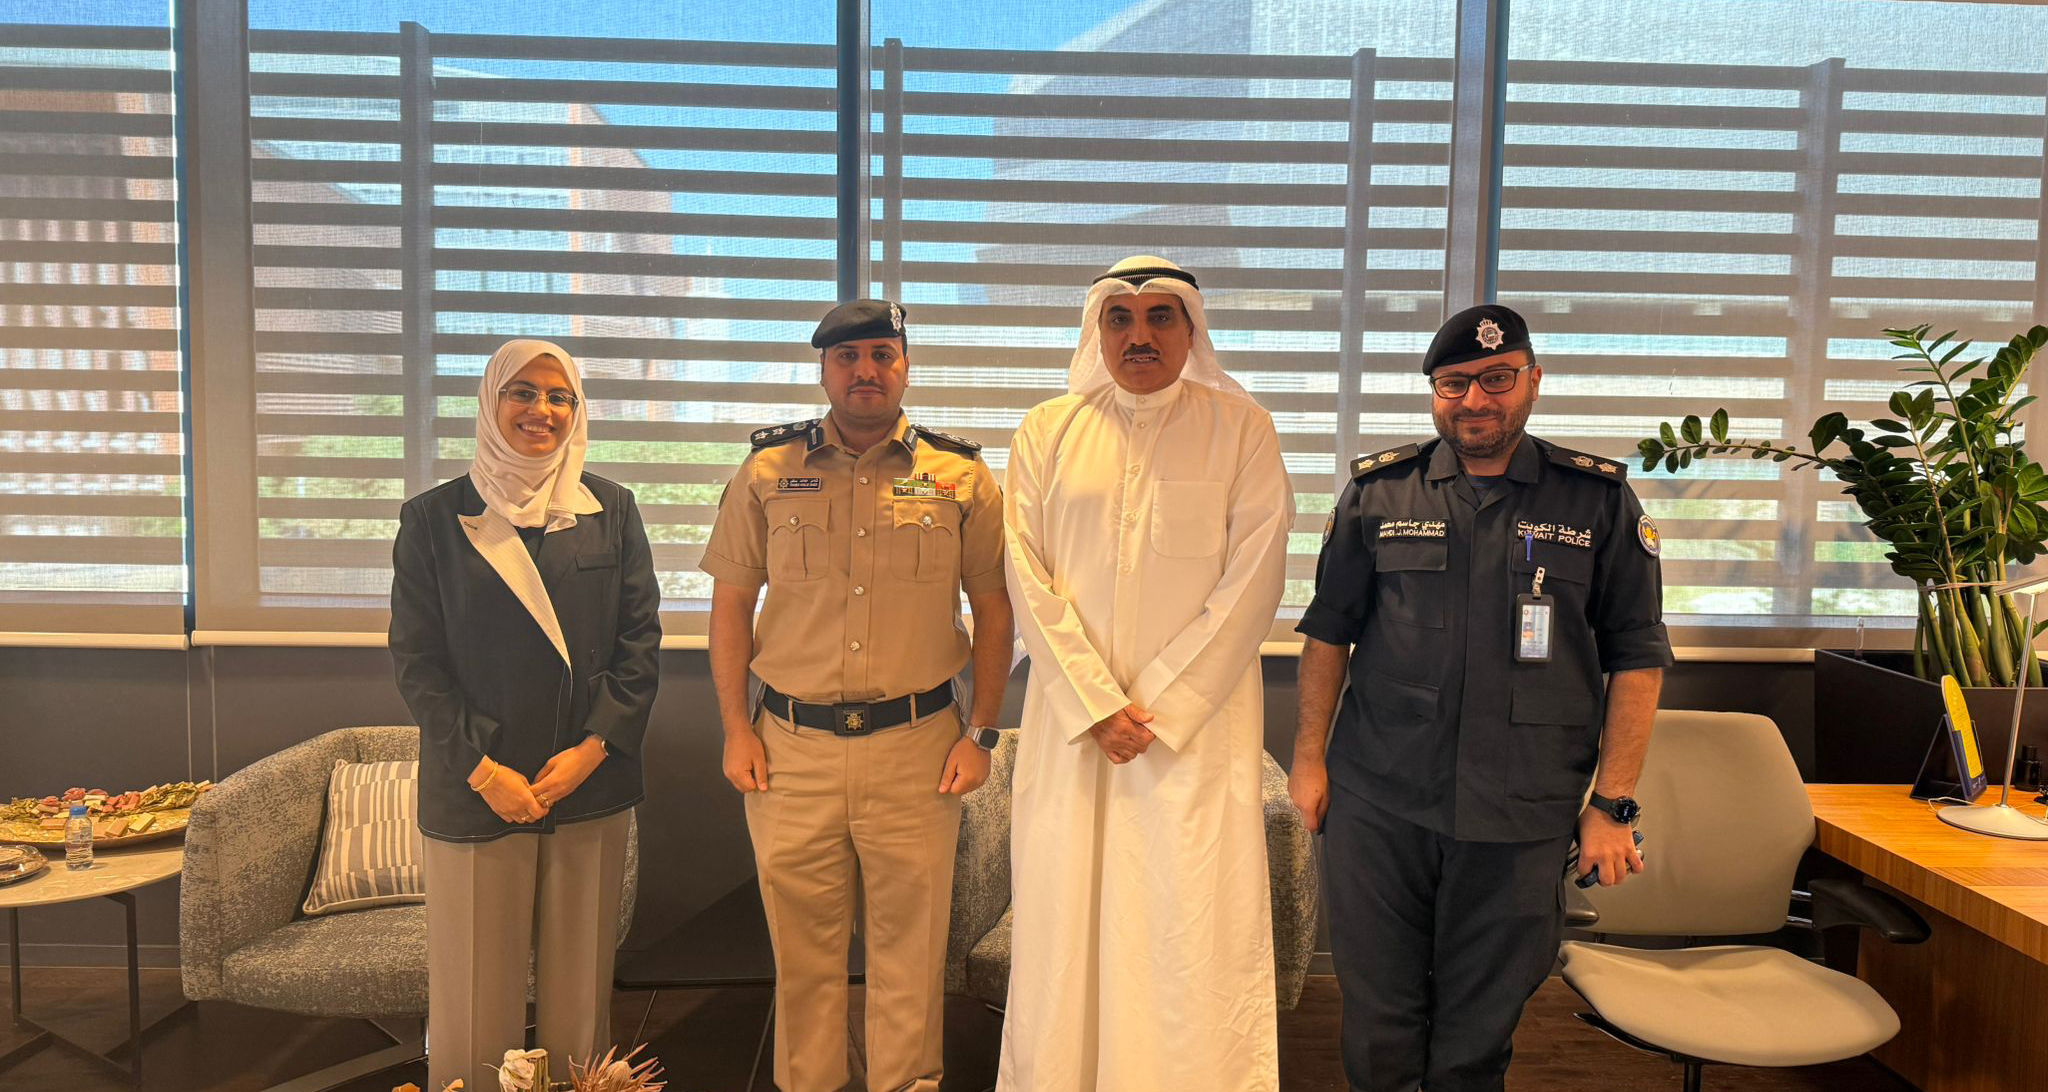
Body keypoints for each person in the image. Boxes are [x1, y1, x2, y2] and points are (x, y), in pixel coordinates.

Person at [1290, 303, 1671, 1092]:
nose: (1474, 400)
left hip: (1522, 810)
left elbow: (1637, 658)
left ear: (1533, 380)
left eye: (1496, 379)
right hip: (1381, 802)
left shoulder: (1596, 501)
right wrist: (1308, 762)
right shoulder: (1379, 493)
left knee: (1479, 1030)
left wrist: (1613, 804)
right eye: (1454, 383)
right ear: (1435, 392)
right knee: (1379, 1022)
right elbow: (1329, 633)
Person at [701, 299, 1014, 1092]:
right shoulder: (768, 470)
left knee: (911, 953)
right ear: (824, 369)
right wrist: (735, 728)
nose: (865, 371)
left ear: (906, 366)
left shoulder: (961, 475)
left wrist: (981, 733)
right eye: (847, 357)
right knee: (802, 956)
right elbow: (731, 606)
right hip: (790, 750)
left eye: (882, 354)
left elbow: (994, 609)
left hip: (918, 748)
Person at [998, 255, 1294, 1092]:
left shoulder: (1243, 429)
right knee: (1065, 924)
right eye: (1120, 319)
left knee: (1185, 926)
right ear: (1096, 331)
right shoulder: (1046, 431)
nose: (1140, 335)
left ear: (1191, 330)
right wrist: (1096, 704)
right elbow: (1025, 574)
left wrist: (1156, 707)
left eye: (1161, 316)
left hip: (1189, 740)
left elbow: (1254, 581)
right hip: (1075, 733)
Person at [390, 338, 661, 1091]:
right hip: (477, 783)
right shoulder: (433, 519)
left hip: (586, 781)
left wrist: (593, 749)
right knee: (475, 1005)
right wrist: (484, 770)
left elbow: (640, 644)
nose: (542, 410)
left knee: (581, 1002)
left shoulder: (611, 510)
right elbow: (418, 663)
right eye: (523, 392)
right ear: (490, 401)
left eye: (559, 396)